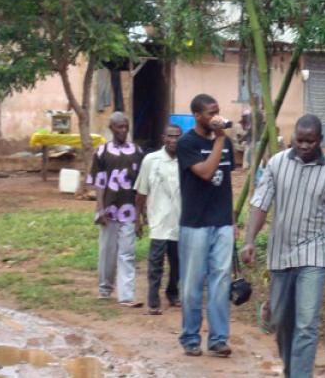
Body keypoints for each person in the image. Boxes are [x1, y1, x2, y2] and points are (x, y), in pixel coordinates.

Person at [242, 114, 325, 378]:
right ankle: (290, 369)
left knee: (307, 324)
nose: (305, 146)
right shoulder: (276, 164)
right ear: (293, 138)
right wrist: (249, 240)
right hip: (280, 254)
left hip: (314, 255)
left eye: (310, 141)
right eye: (300, 140)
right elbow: (260, 204)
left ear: (320, 140)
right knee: (282, 322)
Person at [176, 94, 235, 357]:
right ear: (197, 116)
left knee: (221, 282)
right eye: (211, 113)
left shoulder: (227, 143)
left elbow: (225, 184)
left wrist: (232, 221)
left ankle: (218, 339)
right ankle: (190, 337)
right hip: (195, 224)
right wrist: (219, 139)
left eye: (218, 111)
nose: (216, 116)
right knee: (192, 285)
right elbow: (206, 173)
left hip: (221, 222)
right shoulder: (186, 143)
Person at [86, 112, 144, 307]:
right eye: (119, 127)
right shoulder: (102, 152)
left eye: (126, 126)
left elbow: (141, 186)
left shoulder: (137, 151)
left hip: (129, 211)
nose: (123, 130)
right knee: (107, 251)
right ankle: (105, 288)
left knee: (127, 253)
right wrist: (100, 209)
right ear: (111, 128)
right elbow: (99, 183)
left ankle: (126, 296)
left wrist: (140, 216)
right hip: (109, 211)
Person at [134, 124, 183, 315]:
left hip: (179, 220)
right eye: (170, 137)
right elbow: (141, 192)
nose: (174, 141)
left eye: (178, 137)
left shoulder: (186, 160)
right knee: (156, 263)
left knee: (177, 263)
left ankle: (173, 293)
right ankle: (153, 300)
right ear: (164, 138)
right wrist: (138, 218)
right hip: (158, 221)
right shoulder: (151, 160)